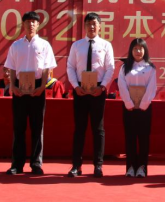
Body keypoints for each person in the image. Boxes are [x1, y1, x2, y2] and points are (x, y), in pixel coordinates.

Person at [4, 11, 56, 175]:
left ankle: (36, 163)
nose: (31, 24)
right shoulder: (16, 45)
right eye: (28, 21)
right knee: (19, 127)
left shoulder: (44, 45)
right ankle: (17, 164)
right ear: (23, 24)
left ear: (38, 25)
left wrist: (42, 87)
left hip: (37, 87)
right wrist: (13, 86)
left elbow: (47, 68)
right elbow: (11, 68)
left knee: (37, 127)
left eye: (34, 22)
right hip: (19, 88)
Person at [66, 12, 115, 178]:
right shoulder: (77, 45)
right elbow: (70, 67)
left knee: (98, 129)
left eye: (94, 24)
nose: (91, 27)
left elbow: (110, 68)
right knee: (79, 128)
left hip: (98, 90)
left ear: (100, 26)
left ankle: (98, 166)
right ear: (85, 26)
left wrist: (102, 87)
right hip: (80, 90)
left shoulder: (106, 45)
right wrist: (75, 86)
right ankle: (76, 166)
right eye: (88, 24)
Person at [117, 38, 157, 178]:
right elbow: (122, 85)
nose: (138, 51)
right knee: (130, 138)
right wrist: (128, 103)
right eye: (135, 48)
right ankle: (130, 167)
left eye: (140, 48)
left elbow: (152, 87)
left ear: (145, 50)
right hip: (129, 108)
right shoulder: (124, 67)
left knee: (144, 138)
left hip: (145, 109)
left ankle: (142, 167)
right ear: (131, 50)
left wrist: (144, 104)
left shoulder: (150, 68)